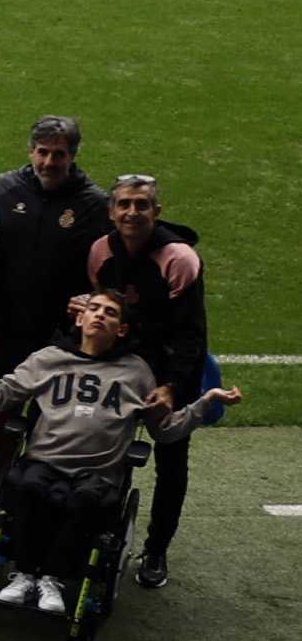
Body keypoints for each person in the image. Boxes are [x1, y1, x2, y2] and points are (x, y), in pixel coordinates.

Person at [0, 286, 165, 619]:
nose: (100, 315)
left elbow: (165, 427)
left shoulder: (136, 371)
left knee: (83, 499)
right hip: (45, 461)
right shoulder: (49, 358)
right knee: (29, 487)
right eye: (94, 308)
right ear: (79, 317)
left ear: (122, 330)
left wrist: (205, 403)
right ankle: (25, 573)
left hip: (97, 473)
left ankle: (52, 578)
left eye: (110, 312)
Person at [87, 174, 231, 586]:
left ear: (156, 211)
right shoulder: (100, 252)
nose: (132, 212)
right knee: (98, 440)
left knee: (172, 461)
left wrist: (170, 387)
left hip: (171, 370)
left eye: (142, 205)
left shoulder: (179, 259)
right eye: (124, 205)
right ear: (112, 211)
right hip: (121, 368)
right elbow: (105, 312)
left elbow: (191, 335)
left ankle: (155, 550)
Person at [0, 117, 117, 386]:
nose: (49, 162)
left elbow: (117, 262)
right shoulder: (7, 188)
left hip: (62, 331)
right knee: (5, 409)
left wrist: (95, 296)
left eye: (59, 154)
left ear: (72, 156)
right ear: (31, 152)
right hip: (8, 325)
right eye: (43, 152)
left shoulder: (93, 203)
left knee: (54, 414)